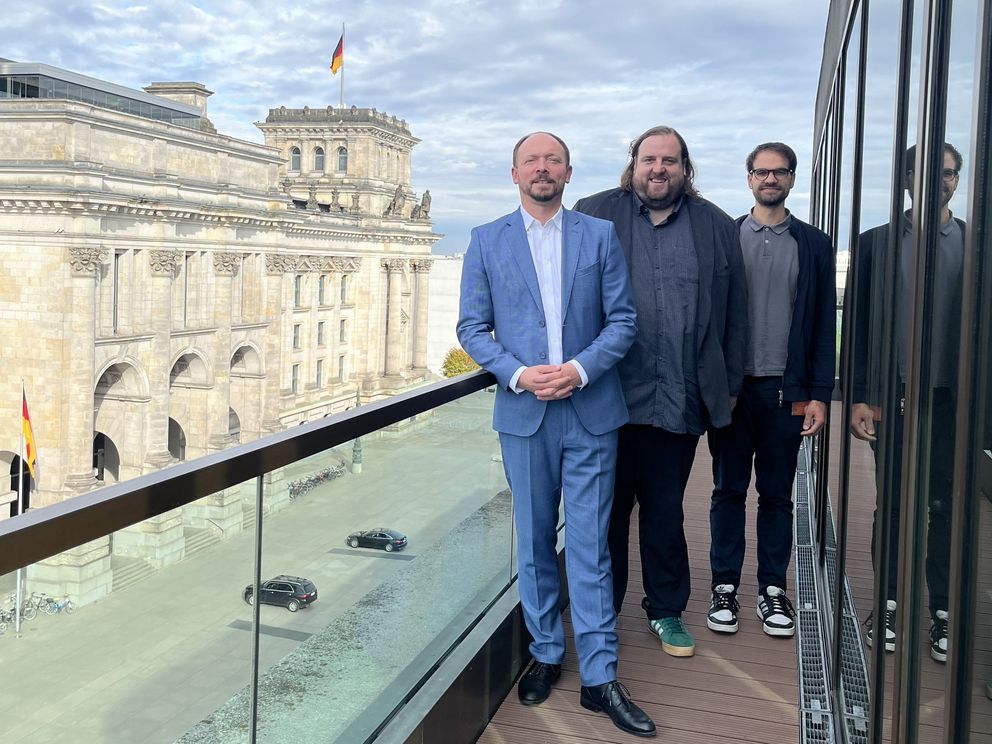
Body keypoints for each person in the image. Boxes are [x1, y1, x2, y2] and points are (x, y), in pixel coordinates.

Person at [457, 132, 655, 737]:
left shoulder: (598, 236)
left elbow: (623, 320)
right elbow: (472, 326)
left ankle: (600, 676)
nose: (542, 169)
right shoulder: (485, 240)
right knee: (536, 541)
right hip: (524, 412)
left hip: (590, 409)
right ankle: (546, 652)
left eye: (553, 160)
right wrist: (519, 374)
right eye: (531, 160)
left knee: (592, 544)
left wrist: (578, 370)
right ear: (513, 171)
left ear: (569, 172)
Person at [574, 125, 746, 658]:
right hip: (606, 399)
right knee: (603, 514)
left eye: (669, 160)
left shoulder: (715, 225)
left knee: (665, 512)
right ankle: (599, 614)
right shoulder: (594, 213)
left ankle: (666, 611)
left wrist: (728, 388)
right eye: (649, 159)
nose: (658, 169)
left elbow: (734, 314)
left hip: (679, 399)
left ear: (685, 168)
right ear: (633, 163)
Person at [706, 142, 835, 638]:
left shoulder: (814, 245)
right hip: (734, 391)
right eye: (762, 171)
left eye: (779, 172)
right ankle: (725, 588)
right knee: (727, 490)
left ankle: (772, 590)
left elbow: (824, 324)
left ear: (792, 179)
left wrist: (819, 393)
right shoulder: (727, 237)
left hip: (788, 390)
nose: (770, 179)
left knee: (778, 495)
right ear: (749, 178)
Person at [849, 143, 965, 663]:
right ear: (906, 179)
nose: (940, 180)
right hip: (891, 400)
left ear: (957, 180)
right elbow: (856, 326)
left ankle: (941, 611)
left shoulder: (974, 243)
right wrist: (858, 397)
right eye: (928, 172)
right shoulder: (875, 244)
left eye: (949, 173)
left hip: (952, 402)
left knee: (945, 507)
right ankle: (890, 604)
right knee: (893, 506)